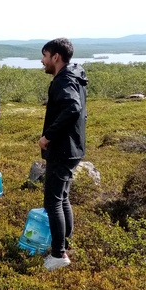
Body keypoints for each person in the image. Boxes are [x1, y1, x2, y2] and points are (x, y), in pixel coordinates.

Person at [38, 38, 88, 270]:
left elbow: (72, 108)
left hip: (63, 149)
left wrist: (48, 136)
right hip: (73, 148)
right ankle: (65, 245)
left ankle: (59, 255)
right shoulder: (74, 76)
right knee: (62, 198)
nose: (42, 61)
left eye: (45, 56)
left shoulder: (63, 80)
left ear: (56, 57)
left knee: (52, 202)